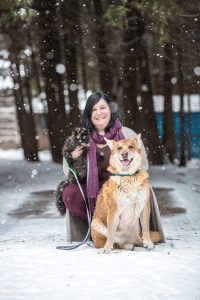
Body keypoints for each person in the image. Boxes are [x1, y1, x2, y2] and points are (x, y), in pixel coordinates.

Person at [62, 91, 165, 243]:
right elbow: (67, 172)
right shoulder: (81, 138)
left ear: (110, 109)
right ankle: (98, 227)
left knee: (143, 189)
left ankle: (127, 230)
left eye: (102, 107)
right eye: (93, 109)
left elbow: (143, 163)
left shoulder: (126, 133)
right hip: (93, 189)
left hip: (123, 186)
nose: (99, 113)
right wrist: (73, 159)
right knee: (70, 193)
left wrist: (127, 179)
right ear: (88, 114)